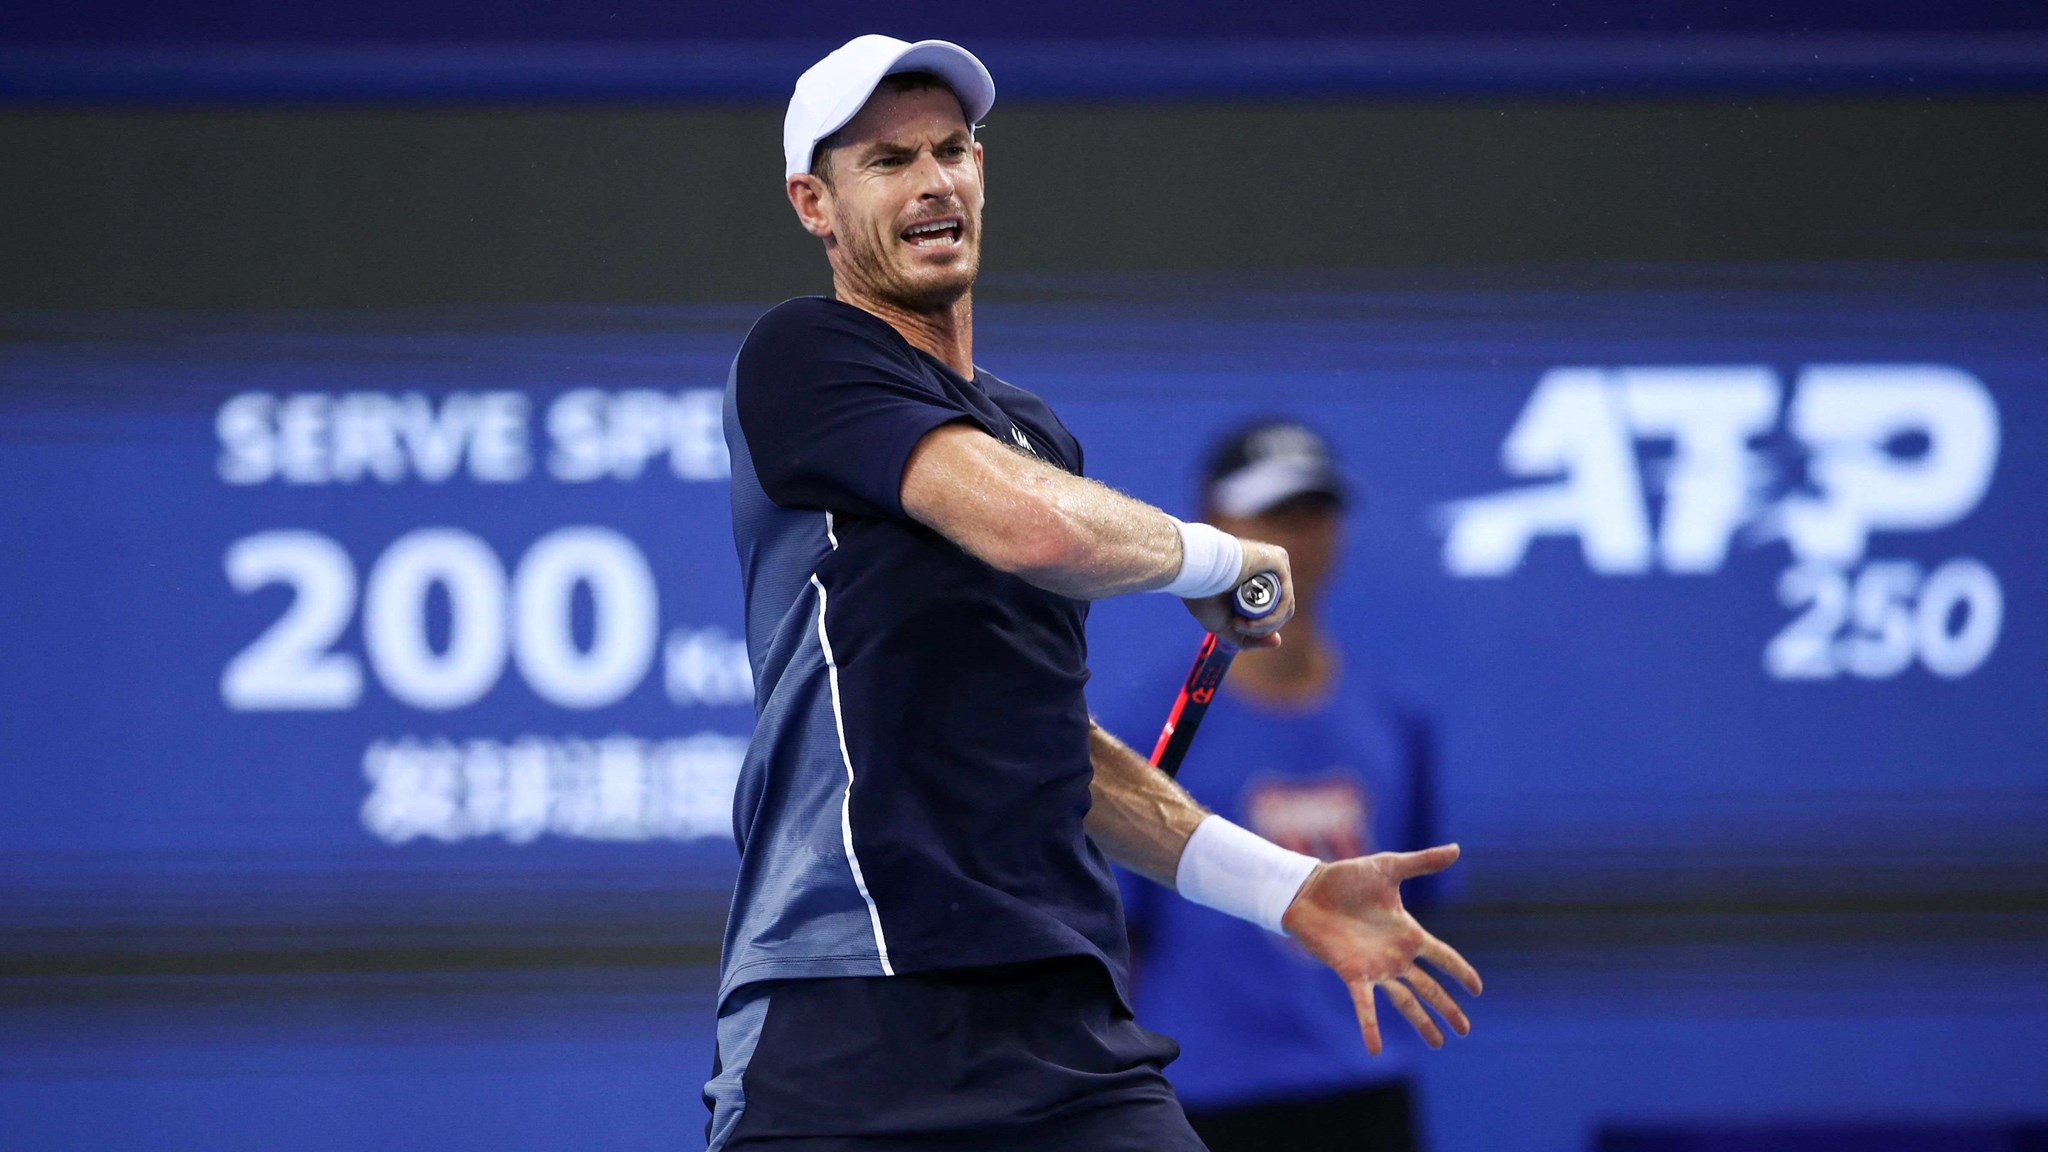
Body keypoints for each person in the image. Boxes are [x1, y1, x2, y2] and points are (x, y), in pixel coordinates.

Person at [707, 34, 1481, 1151]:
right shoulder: (803, 356)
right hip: (850, 1002)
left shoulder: (1034, 433)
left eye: (951, 150)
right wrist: (1220, 558)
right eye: (885, 163)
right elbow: (1027, 527)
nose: (932, 181)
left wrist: (1286, 891)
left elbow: (1052, 751)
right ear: (813, 204)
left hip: (1063, 1023)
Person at [1114, 420, 1445, 1152]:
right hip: (1203, 1092)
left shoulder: (1396, 718)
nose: (1295, 536)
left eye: (1313, 512)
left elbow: (1411, 901)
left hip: (1363, 1088)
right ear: (1211, 525)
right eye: (1271, 514)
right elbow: (1116, 933)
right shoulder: (1152, 728)